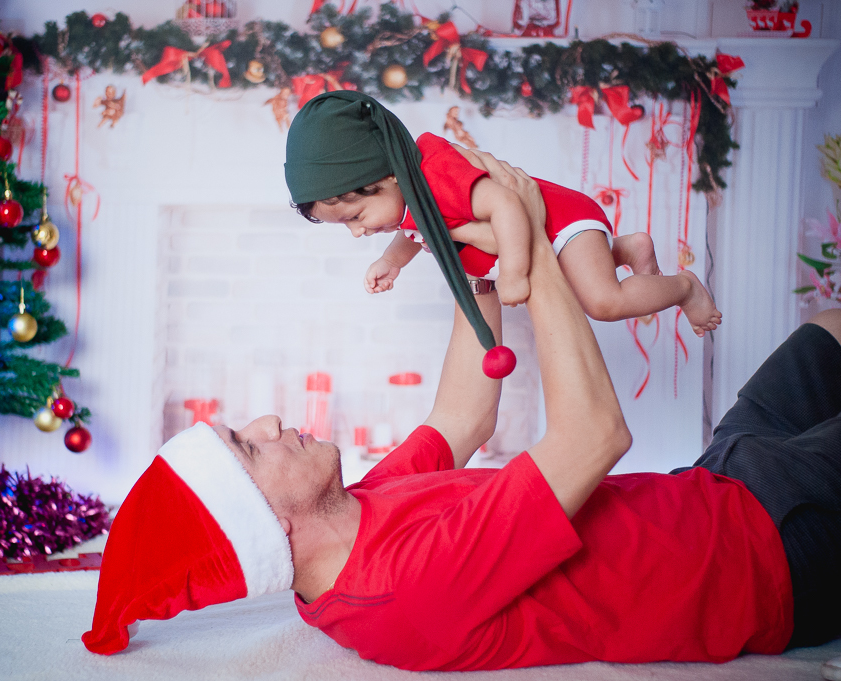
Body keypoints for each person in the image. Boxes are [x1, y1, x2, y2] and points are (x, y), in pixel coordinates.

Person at [81, 161, 840, 671]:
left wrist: (467, 260)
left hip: (713, 488)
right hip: (773, 558)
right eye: (251, 446)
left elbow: (464, 414)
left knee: (826, 331)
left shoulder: (350, 519)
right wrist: (530, 247)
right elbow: (596, 433)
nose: (273, 421)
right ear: (265, 525)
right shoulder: (401, 589)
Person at [286, 91, 721, 337]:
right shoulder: (409, 201)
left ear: (386, 176)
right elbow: (419, 232)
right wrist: (390, 261)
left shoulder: (436, 176)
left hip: (562, 222)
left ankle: (684, 288)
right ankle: (628, 247)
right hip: (557, 236)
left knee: (603, 303)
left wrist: (512, 271)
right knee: (576, 280)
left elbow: (506, 203)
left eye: (355, 216)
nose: (358, 232)